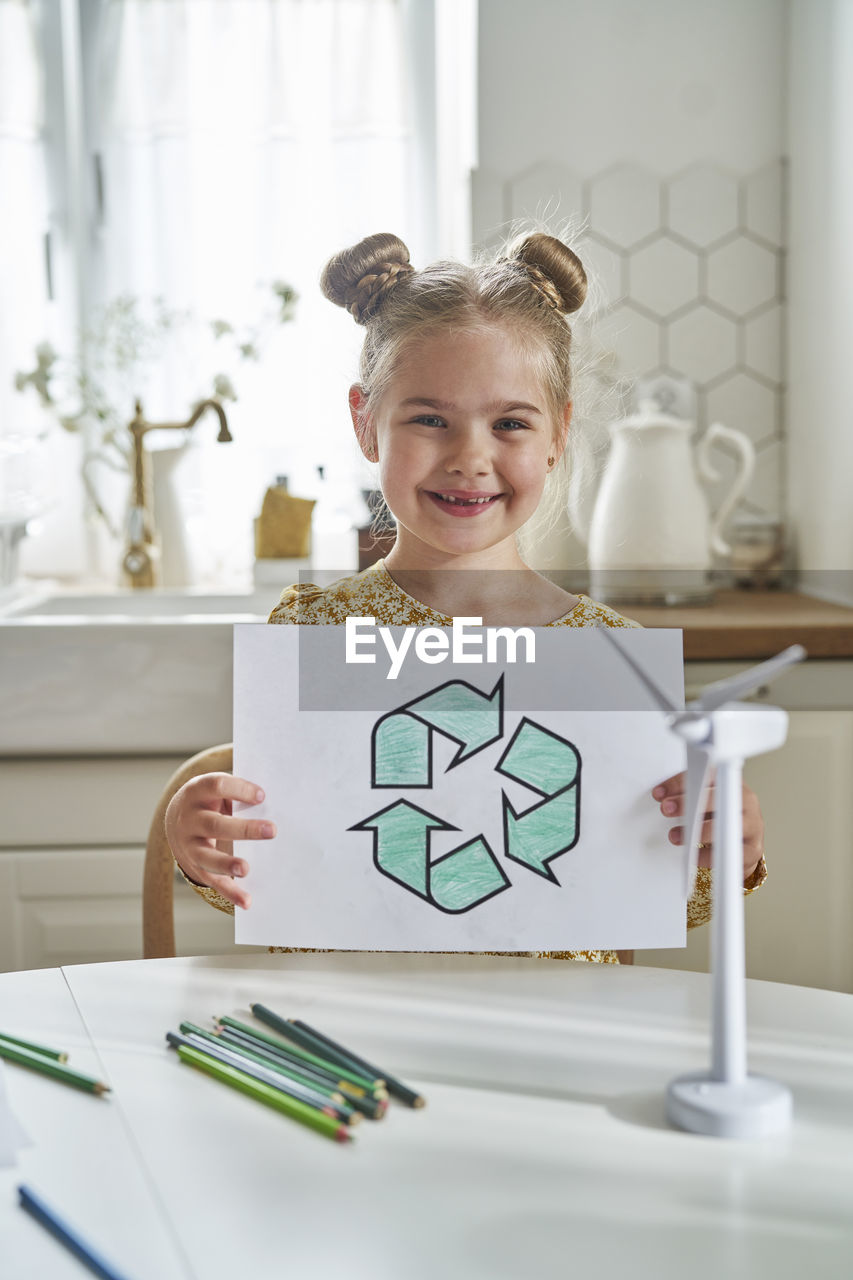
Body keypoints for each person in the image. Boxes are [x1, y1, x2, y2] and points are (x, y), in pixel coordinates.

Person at [165, 230, 767, 962]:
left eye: (509, 422)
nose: (469, 457)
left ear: (558, 434)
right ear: (364, 422)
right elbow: (269, 863)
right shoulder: (309, 631)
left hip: (554, 1035)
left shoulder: (608, 654)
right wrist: (200, 844)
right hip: (350, 1038)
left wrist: (718, 845)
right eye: (429, 419)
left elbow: (661, 891)